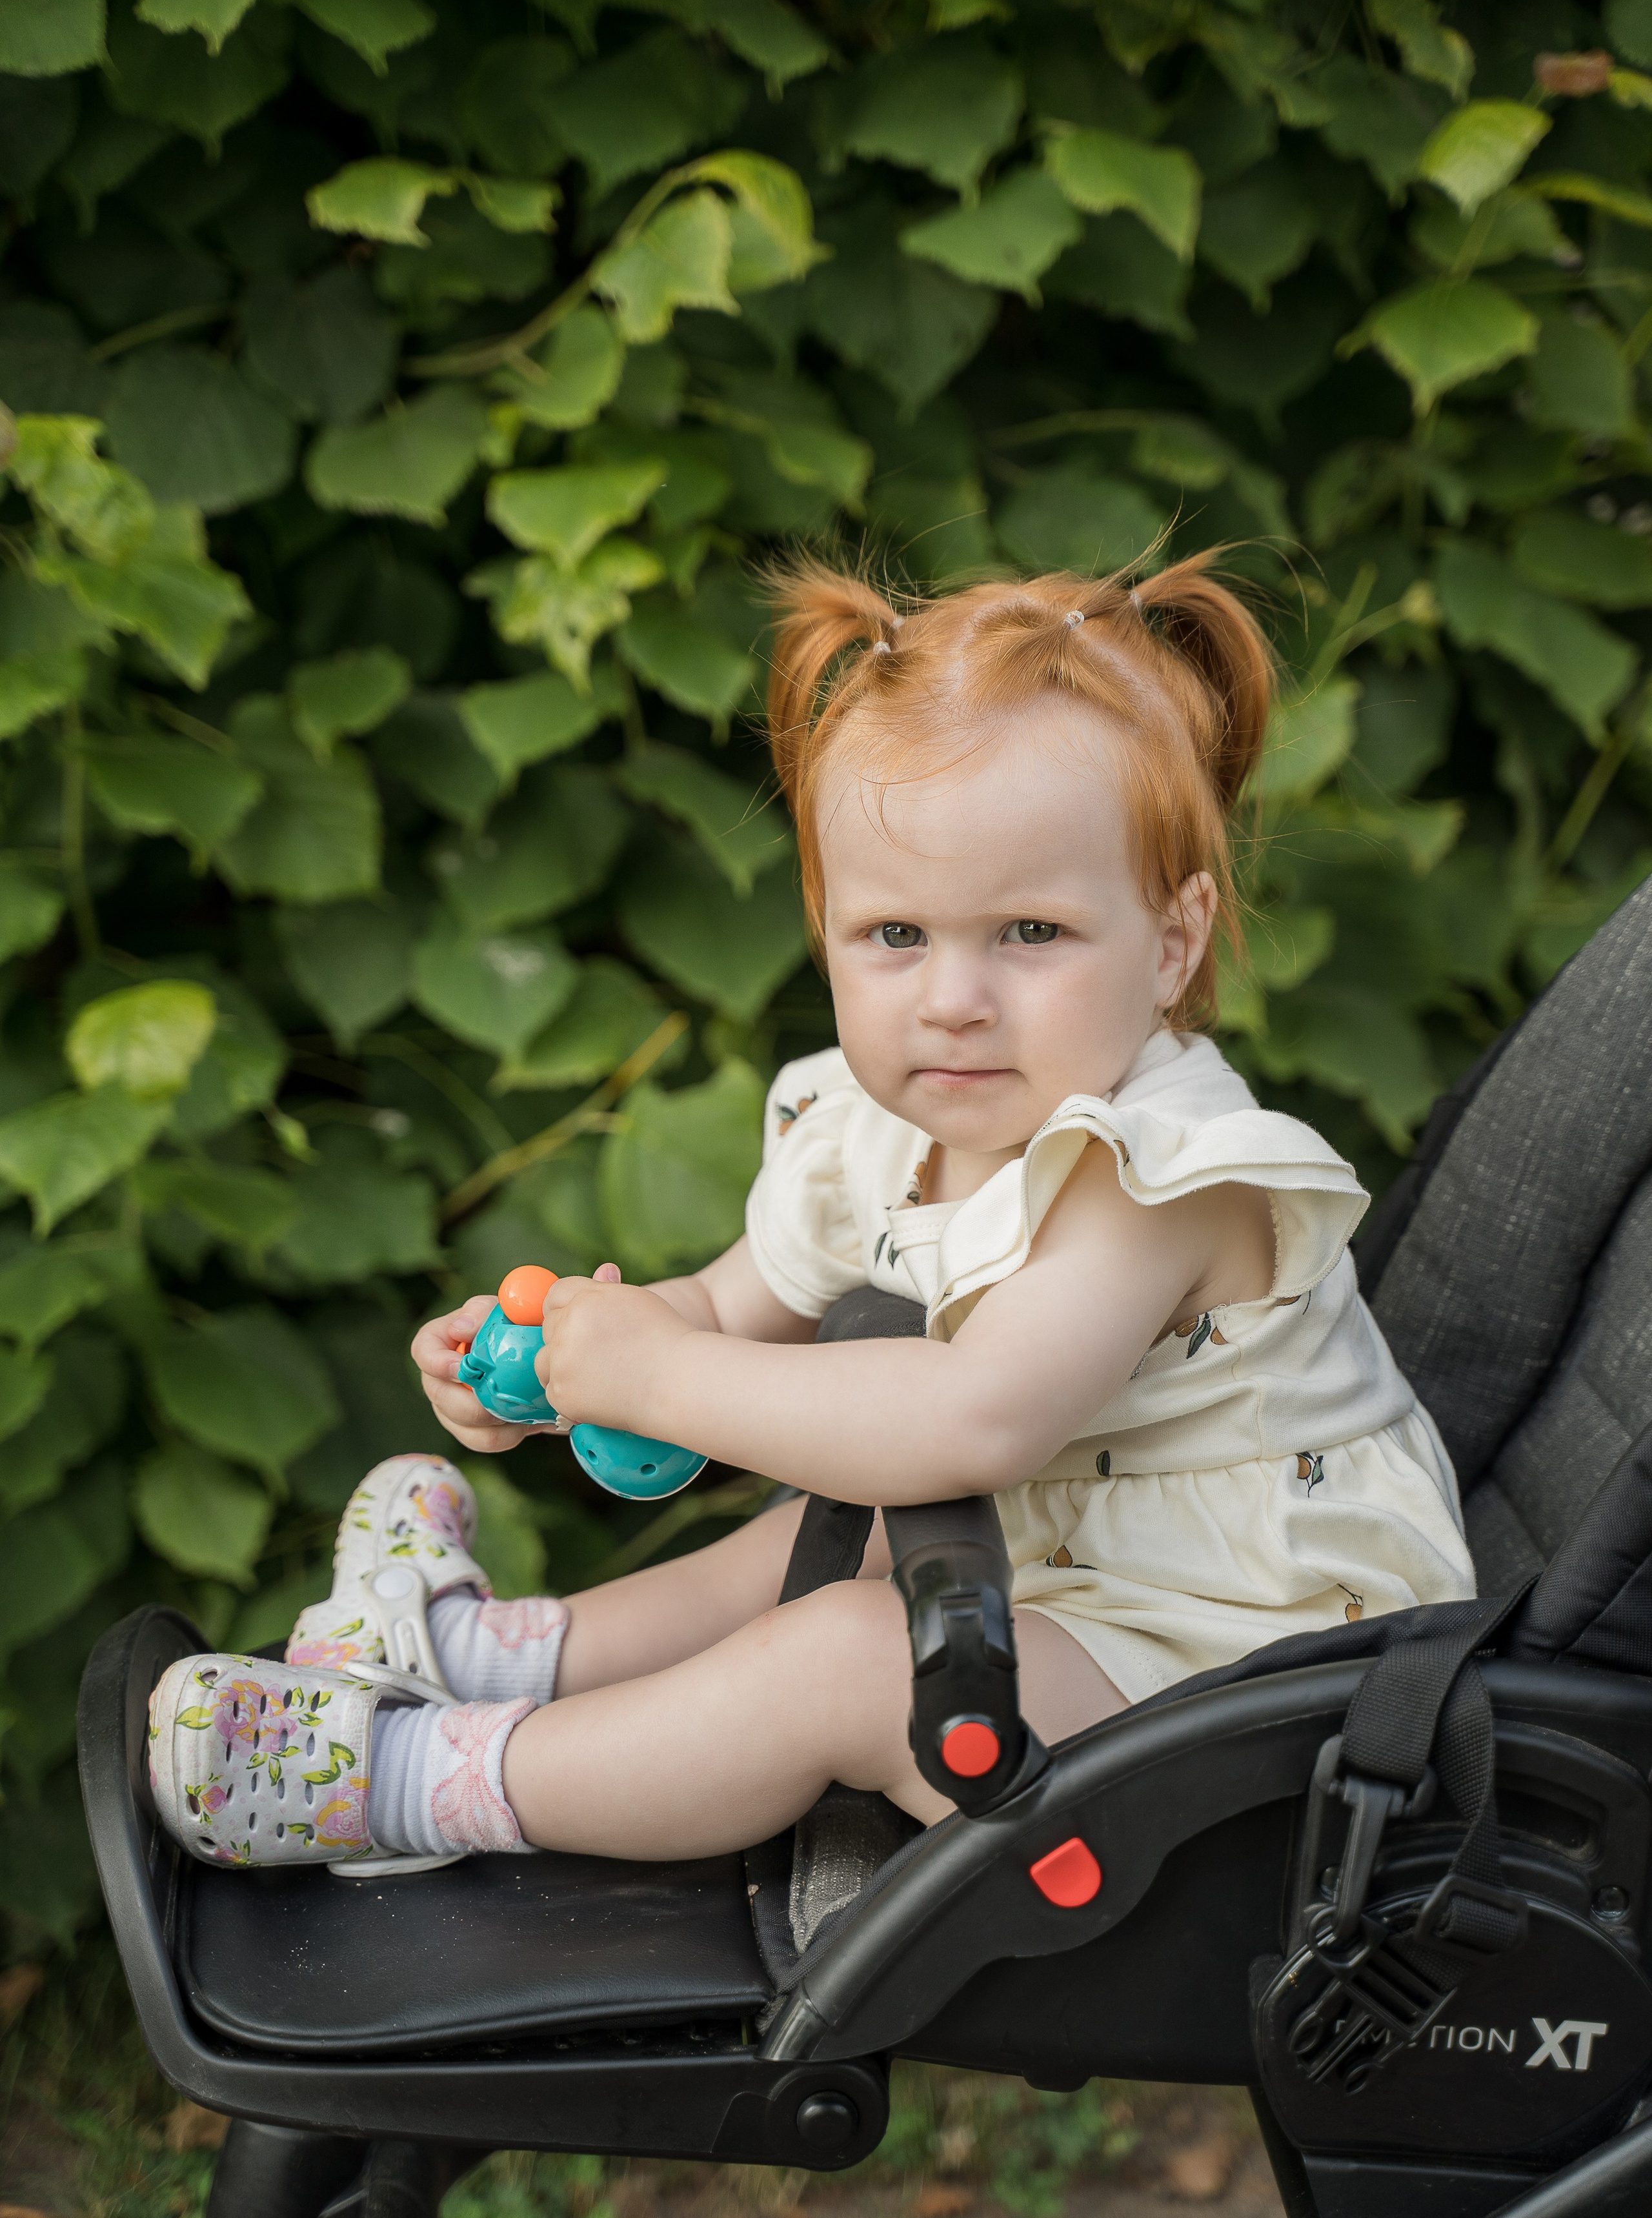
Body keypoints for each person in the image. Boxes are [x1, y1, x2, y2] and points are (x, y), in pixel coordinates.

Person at [146, 556, 1475, 1873]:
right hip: (1076, 1589)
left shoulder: (1160, 1176)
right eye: (895, 936)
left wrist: (663, 1379)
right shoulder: (877, 1128)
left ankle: (396, 1785)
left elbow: (973, 1418)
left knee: (851, 1657)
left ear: (1171, 943)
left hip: (1259, 1709)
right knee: (835, 1527)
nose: (952, 1000)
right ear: (826, 926)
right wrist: (564, 1358)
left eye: (1029, 932)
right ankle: (477, 1655)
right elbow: (729, 1311)